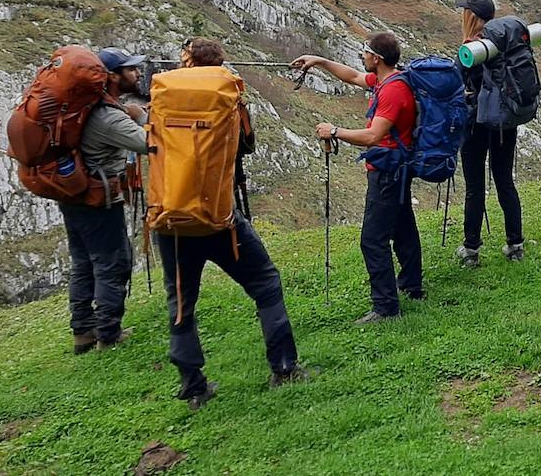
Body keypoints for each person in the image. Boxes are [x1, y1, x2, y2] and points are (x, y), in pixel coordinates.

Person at [155, 39, 305, 410]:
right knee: (265, 283)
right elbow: (247, 145)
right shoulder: (228, 100)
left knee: (181, 304)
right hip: (221, 219)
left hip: (171, 220)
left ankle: (193, 389)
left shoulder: (162, 101)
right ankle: (284, 368)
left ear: (187, 63)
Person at [292, 33, 424, 324]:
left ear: (376, 58)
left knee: (372, 240)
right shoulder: (389, 79)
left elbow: (373, 136)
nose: (361, 57)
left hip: (387, 171)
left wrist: (334, 131)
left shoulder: (391, 91)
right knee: (403, 228)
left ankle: (386, 308)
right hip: (397, 167)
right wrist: (320, 61)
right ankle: (412, 286)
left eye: (365, 52)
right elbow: (351, 76)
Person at [62, 47, 149, 355]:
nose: (137, 74)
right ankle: (109, 334)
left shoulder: (87, 106)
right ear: (113, 76)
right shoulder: (109, 117)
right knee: (113, 262)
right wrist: (142, 118)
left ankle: (83, 332)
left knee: (84, 263)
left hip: (73, 195)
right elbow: (149, 145)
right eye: (130, 70)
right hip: (99, 198)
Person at [453, 0, 525, 267]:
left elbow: (455, 81)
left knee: (475, 187)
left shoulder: (472, 48)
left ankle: (471, 249)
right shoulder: (505, 41)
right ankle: (515, 245)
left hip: (475, 124)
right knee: (505, 181)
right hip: (505, 121)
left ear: (471, 17)